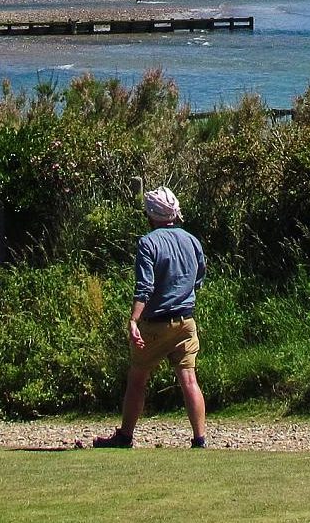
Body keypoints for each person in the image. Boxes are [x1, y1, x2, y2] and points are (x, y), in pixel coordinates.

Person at [93, 187, 207, 449]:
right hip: (186, 321)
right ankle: (199, 439)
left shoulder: (148, 243)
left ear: (151, 215)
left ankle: (125, 436)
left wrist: (134, 319)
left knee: (137, 378)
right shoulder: (192, 240)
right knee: (189, 379)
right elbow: (199, 275)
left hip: (155, 323)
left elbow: (145, 287)